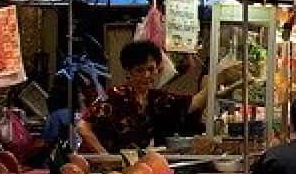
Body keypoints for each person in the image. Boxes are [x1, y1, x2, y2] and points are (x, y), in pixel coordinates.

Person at [78, 41, 208, 155]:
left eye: (151, 69)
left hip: (128, 167)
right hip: (100, 168)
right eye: (140, 70)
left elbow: (191, 104)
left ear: (157, 69)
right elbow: (82, 126)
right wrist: (104, 156)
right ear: (129, 72)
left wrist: (217, 83)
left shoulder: (157, 99)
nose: (146, 75)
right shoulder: (113, 97)